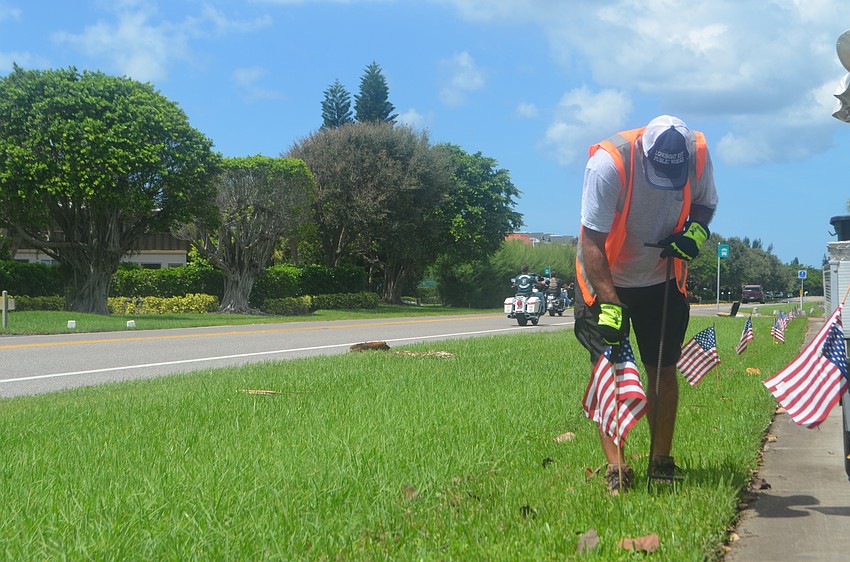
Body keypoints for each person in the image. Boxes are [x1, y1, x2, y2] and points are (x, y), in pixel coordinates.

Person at [573, 115, 718, 494]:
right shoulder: (609, 162)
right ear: (644, 152)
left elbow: (704, 204)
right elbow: (591, 242)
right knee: (611, 372)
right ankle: (617, 469)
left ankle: (661, 462)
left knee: (662, 369)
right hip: (606, 276)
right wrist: (609, 302)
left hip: (663, 278)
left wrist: (695, 233)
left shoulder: (698, 154)